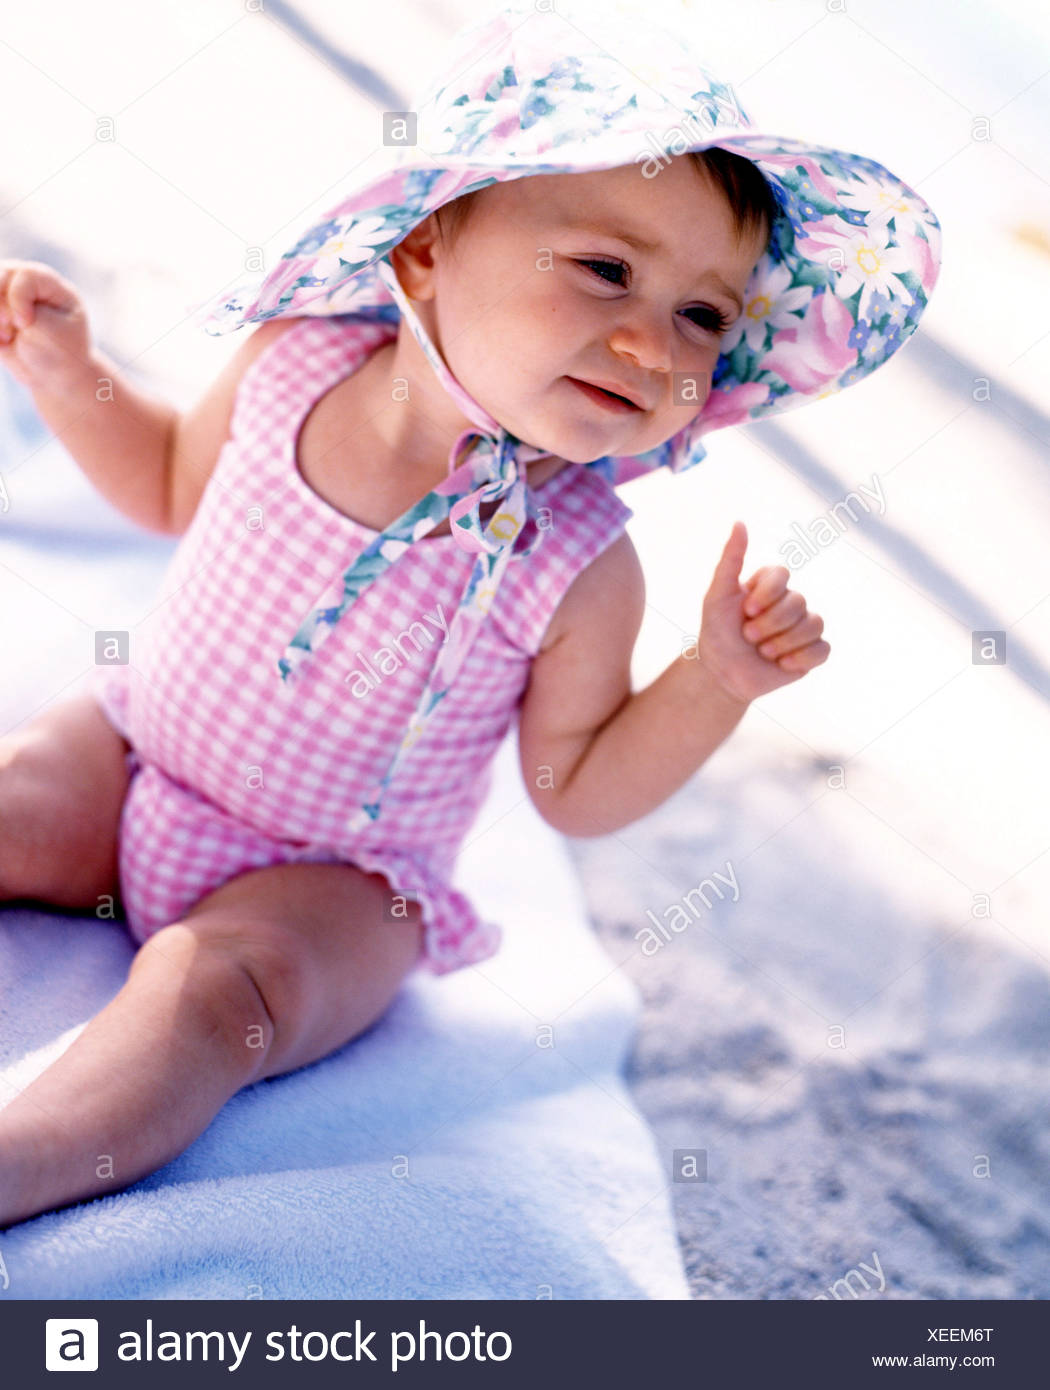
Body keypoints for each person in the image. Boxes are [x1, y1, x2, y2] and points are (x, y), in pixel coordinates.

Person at [0, 2, 940, 1227]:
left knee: (216, 994)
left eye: (704, 317)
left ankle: (26, 1157)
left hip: (339, 880)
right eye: (608, 269)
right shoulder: (296, 364)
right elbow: (172, 481)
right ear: (429, 247)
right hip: (139, 755)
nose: (653, 342)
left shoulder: (580, 561)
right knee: (21, 796)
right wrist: (73, 379)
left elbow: (577, 787)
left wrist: (713, 679)